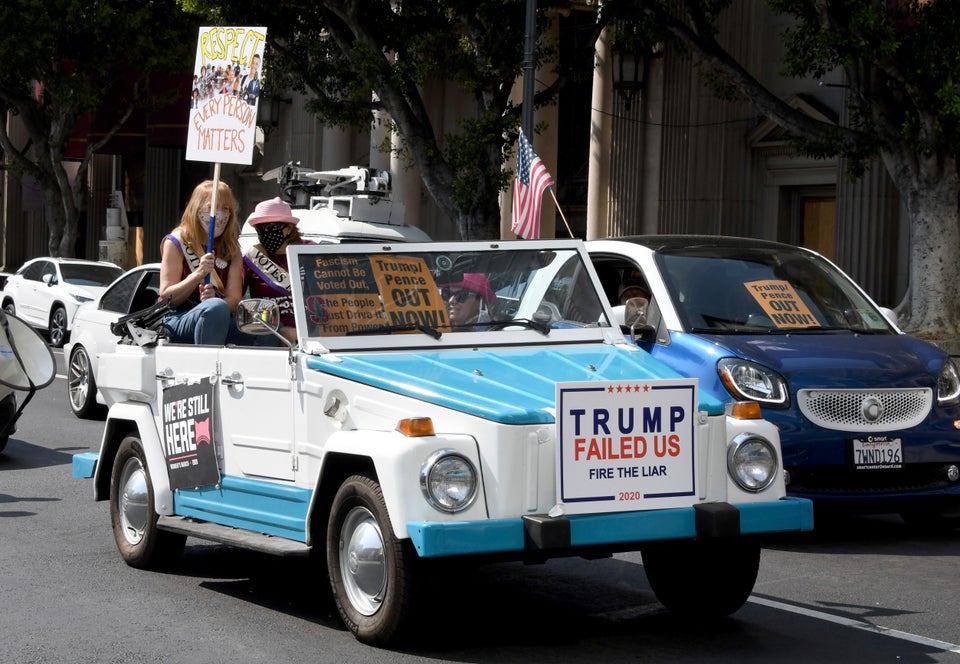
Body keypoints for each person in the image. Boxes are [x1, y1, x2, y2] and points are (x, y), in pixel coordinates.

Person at [159, 180, 252, 345]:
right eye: (212, 207)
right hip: (177, 316)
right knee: (215, 308)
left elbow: (234, 298)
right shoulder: (176, 242)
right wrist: (198, 275)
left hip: (219, 315)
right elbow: (168, 296)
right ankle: (207, 366)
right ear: (196, 209)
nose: (220, 214)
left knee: (264, 328)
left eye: (226, 209)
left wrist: (216, 299)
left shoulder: (232, 248)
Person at [242, 197, 310, 344]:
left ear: (288, 228)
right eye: (260, 228)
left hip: (313, 331)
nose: (264, 233)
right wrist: (281, 330)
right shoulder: (253, 258)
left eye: (270, 227)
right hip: (271, 333)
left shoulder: (310, 252)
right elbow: (239, 304)